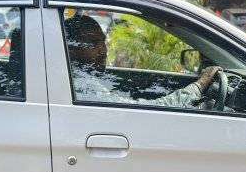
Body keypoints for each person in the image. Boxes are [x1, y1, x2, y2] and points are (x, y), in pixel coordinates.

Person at [63, 13, 222, 108]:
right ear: (69, 49)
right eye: (92, 43)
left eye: (103, 42)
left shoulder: (77, 78)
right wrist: (199, 86)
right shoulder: (80, 83)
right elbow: (141, 111)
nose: (103, 51)